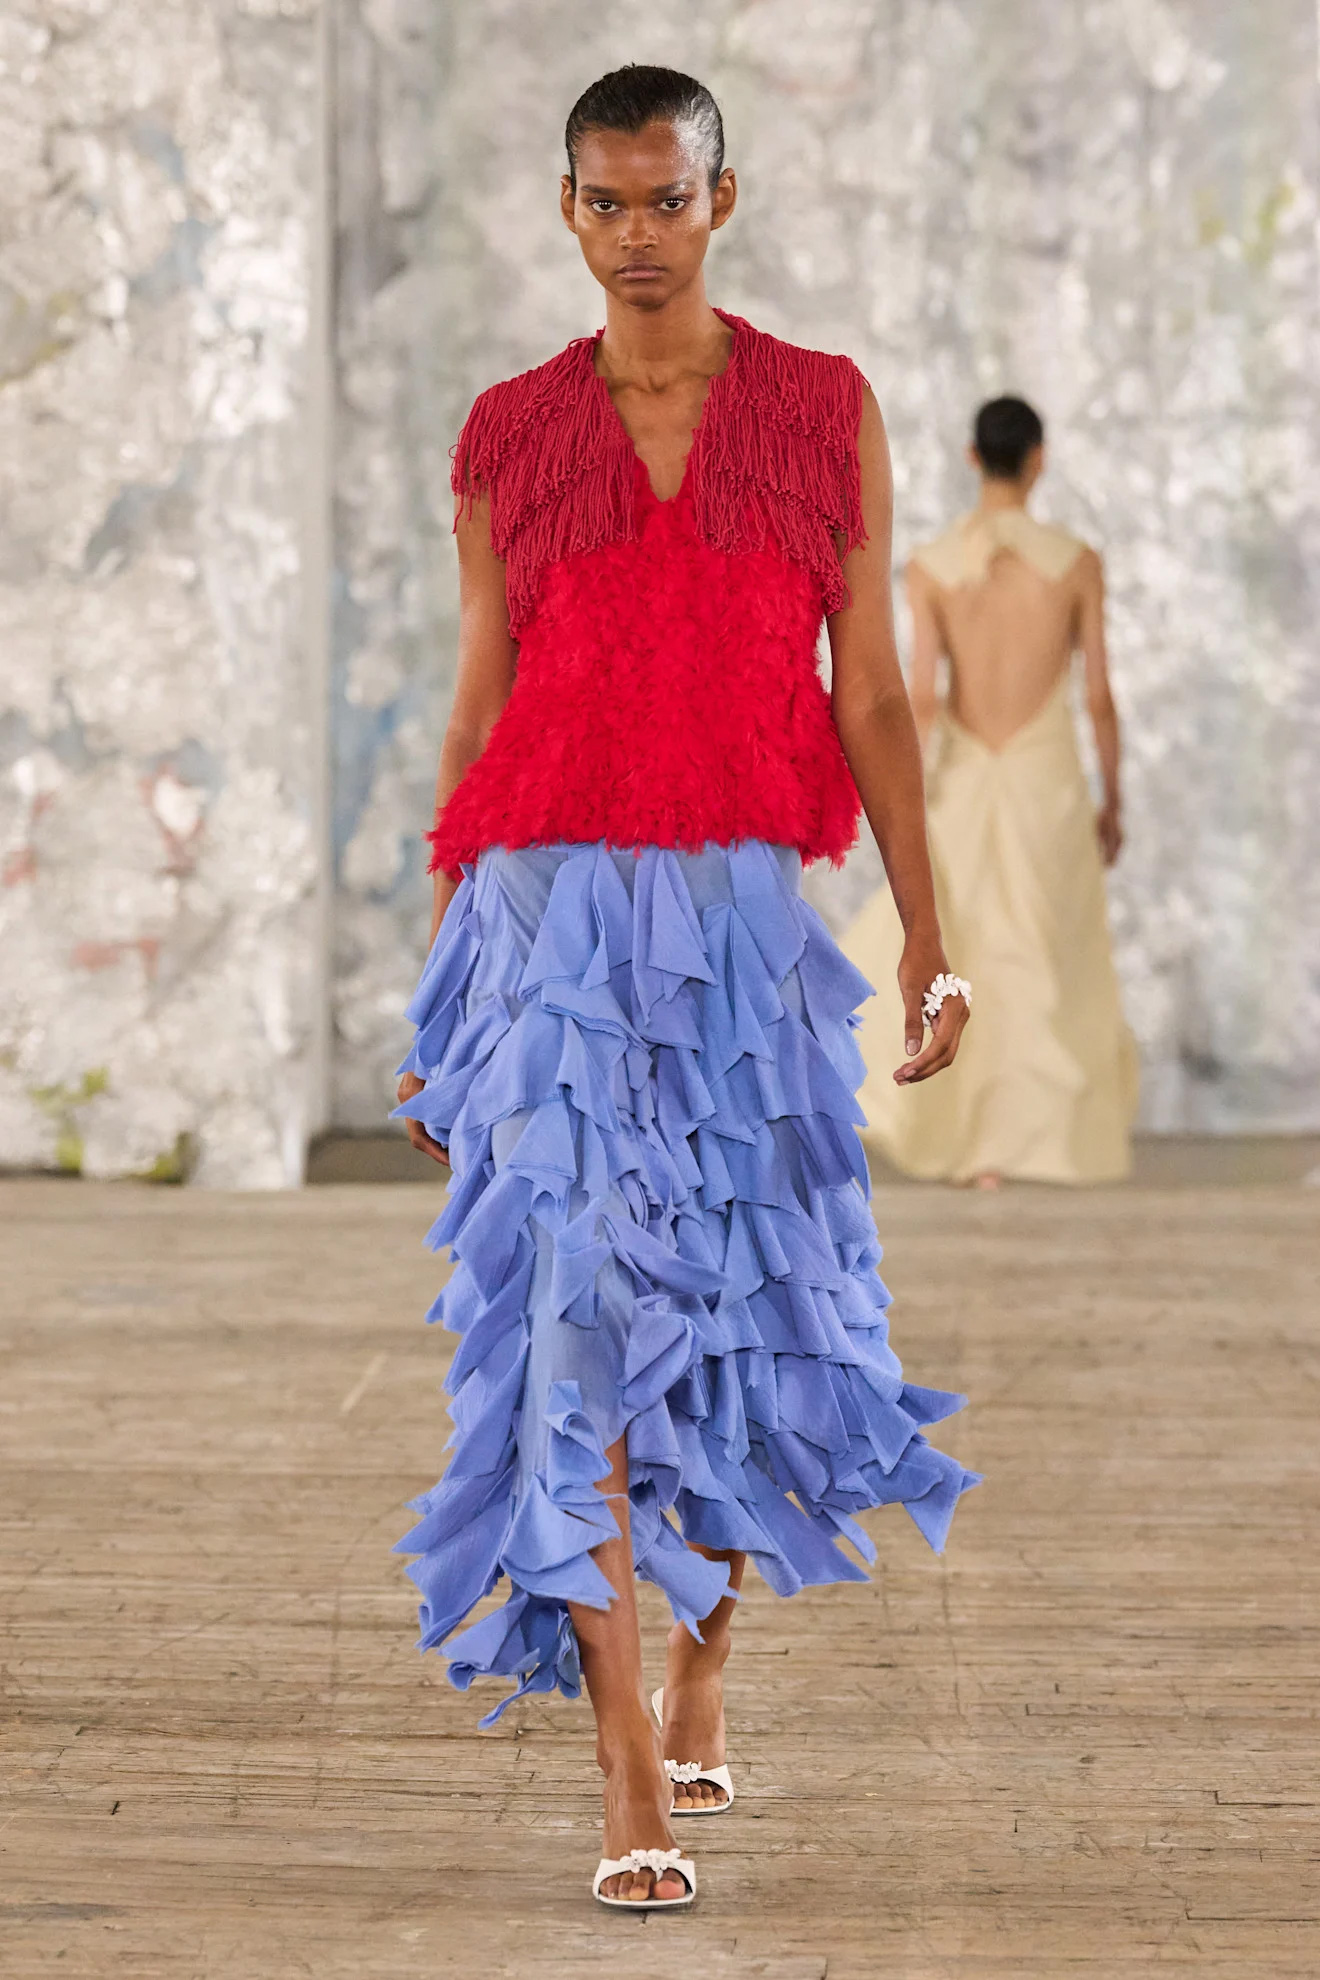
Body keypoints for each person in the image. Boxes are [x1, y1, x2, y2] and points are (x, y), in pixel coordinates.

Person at [392, 65, 977, 1911]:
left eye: (668, 197)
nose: (637, 232)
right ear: (565, 208)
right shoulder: (508, 430)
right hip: (546, 922)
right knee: (576, 1323)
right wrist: (442, 1000)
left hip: (740, 924)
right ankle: (625, 1769)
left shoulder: (819, 407)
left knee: (743, 1309)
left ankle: (706, 1667)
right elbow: (478, 707)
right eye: (606, 201)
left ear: (726, 198)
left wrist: (932, 936)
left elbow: (869, 692)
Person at [841, 396, 1137, 1189]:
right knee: (1039, 949)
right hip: (1046, 777)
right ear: (1038, 459)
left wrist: (906, 795)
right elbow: (1098, 697)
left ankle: (972, 1148)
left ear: (973, 458)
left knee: (966, 942)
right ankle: (1031, 1142)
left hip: (964, 774)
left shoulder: (933, 564)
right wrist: (1113, 797)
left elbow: (923, 696)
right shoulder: (1076, 562)